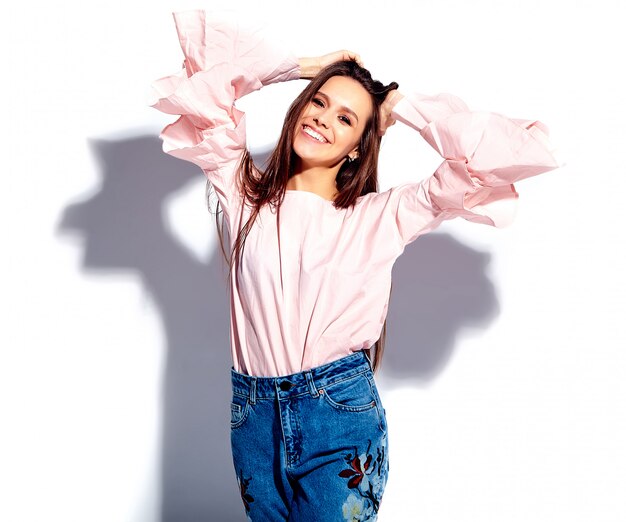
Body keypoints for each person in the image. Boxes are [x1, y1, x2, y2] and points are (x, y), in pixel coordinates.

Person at [150, 9, 560, 521]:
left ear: (356, 148)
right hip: (253, 420)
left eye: (345, 118)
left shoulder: (382, 216)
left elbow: (499, 157)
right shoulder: (242, 194)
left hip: (337, 419)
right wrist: (306, 66)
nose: (323, 117)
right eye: (318, 102)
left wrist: (402, 109)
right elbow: (207, 72)